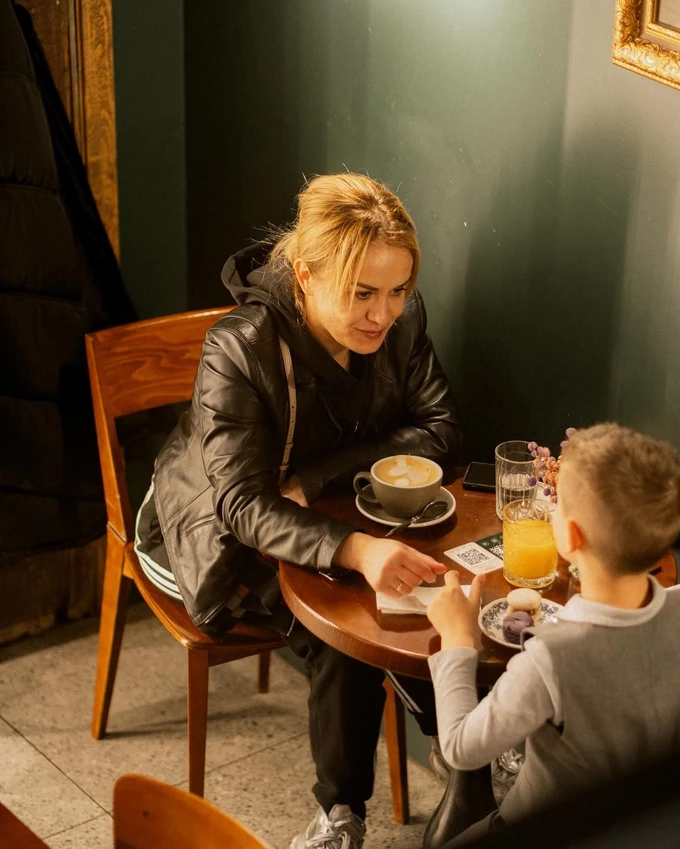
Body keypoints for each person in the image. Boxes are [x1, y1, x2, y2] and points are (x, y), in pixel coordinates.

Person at [135, 172, 462, 849]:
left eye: (398, 290)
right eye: (362, 293)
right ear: (306, 277)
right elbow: (242, 504)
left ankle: (468, 760)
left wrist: (315, 478)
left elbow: (441, 427)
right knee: (345, 626)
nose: (383, 314)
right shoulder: (239, 346)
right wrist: (358, 549)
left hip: (325, 508)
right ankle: (343, 817)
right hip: (207, 532)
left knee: (435, 595)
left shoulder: (400, 323)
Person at [426, 423, 680, 844]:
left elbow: (460, 748)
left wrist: (457, 638)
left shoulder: (550, 659)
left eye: (557, 503)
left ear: (572, 535)